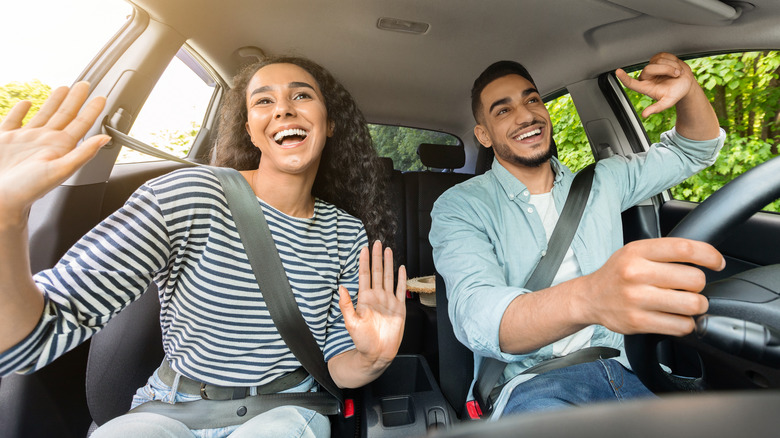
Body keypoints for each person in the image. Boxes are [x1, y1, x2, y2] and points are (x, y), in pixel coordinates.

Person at [0, 56, 407, 437]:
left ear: (330, 123)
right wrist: (7, 217)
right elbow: (31, 339)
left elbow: (338, 366)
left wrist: (373, 359)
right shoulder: (189, 194)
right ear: (250, 129)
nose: (283, 108)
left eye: (301, 95)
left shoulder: (346, 232)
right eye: (263, 100)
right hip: (168, 409)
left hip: (286, 410)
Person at [430, 52, 726, 418]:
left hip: (631, 369)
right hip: (535, 385)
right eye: (503, 110)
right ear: (484, 135)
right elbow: (476, 315)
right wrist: (590, 297)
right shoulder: (460, 205)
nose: (526, 115)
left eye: (532, 99)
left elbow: (693, 151)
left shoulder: (604, 180)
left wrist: (690, 90)